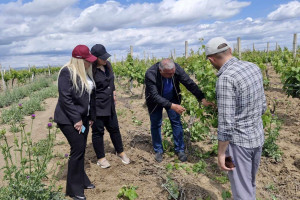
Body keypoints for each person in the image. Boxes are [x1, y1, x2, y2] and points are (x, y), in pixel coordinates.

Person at [205, 37, 267, 200]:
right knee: (249, 183)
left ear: (211, 59)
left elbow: (226, 123)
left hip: (237, 146)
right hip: (257, 138)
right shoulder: (253, 67)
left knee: (240, 192)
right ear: (230, 51)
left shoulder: (226, 78)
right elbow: (263, 106)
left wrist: (221, 153)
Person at [145, 58, 213, 163]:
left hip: (173, 98)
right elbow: (154, 95)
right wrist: (171, 106)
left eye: (173, 73)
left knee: (176, 122)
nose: (172, 75)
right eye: (169, 74)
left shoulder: (176, 69)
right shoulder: (151, 73)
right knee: (156, 123)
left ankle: (180, 149)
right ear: (160, 71)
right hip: (155, 102)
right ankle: (158, 150)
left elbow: (189, 83)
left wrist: (201, 98)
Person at [54, 45, 97, 200]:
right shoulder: (66, 72)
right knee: (77, 150)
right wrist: (76, 120)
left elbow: (90, 97)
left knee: (81, 150)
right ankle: (73, 190)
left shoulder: (86, 72)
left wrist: (91, 116)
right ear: (79, 60)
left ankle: (82, 180)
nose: (90, 63)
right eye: (87, 61)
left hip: (83, 119)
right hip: (68, 120)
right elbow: (65, 99)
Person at [90, 44, 130, 168]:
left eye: (106, 56)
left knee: (114, 128)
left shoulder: (108, 65)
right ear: (95, 58)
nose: (105, 59)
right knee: (98, 132)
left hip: (110, 104)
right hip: (97, 106)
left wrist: (113, 92)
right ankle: (101, 158)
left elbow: (111, 81)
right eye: (102, 58)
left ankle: (120, 152)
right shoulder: (90, 70)